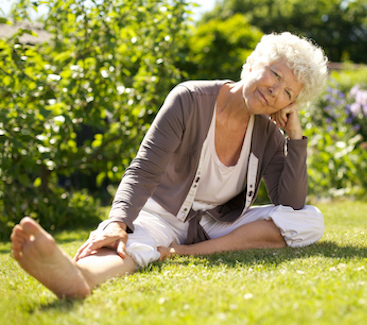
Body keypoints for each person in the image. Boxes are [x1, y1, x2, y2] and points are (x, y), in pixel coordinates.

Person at [10, 32, 329, 299]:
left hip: (216, 225)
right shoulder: (189, 99)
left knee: (309, 220)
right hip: (161, 213)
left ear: (289, 105)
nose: (275, 90)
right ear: (254, 63)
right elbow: (143, 169)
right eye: (274, 74)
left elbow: (290, 205)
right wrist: (118, 221)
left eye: (288, 92)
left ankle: (185, 253)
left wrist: (294, 137)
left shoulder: (270, 134)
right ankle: (78, 276)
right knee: (132, 241)